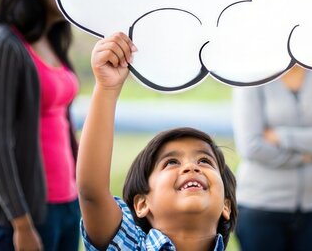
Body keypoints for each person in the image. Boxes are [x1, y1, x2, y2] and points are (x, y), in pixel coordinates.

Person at [78, 32, 237, 250]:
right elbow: (92, 193)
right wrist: (107, 88)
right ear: (143, 204)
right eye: (171, 162)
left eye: (204, 161)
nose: (191, 167)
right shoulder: (130, 246)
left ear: (226, 206)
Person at [0, 0, 81, 251]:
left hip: (67, 204)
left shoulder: (53, 41)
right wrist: (21, 223)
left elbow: (62, 125)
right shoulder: (3, 45)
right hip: (26, 214)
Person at [233, 64, 312, 251]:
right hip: (260, 207)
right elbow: (251, 146)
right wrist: (311, 149)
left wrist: (281, 136)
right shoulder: (251, 74)